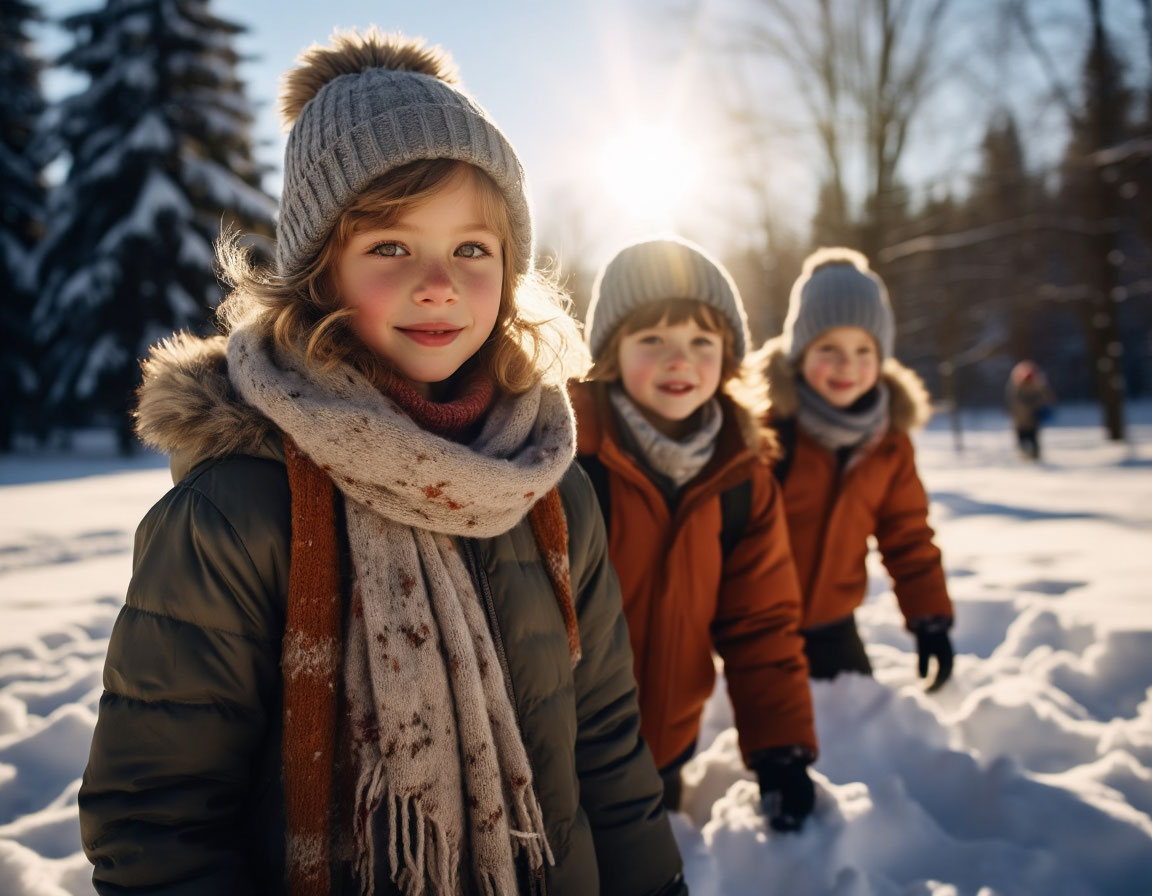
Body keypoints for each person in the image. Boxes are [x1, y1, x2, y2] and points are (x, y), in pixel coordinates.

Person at [78, 28, 687, 896]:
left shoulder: (551, 489)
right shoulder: (239, 512)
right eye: (390, 247)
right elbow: (157, 822)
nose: (437, 283)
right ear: (318, 275)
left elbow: (605, 744)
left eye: (472, 249)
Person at [570, 237, 818, 833]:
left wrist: (779, 748)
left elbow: (760, 620)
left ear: (729, 357)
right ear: (611, 352)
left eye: (701, 342)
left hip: (668, 745)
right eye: (652, 339)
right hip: (565, 751)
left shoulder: (741, 473)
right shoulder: (571, 457)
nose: (678, 360)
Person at [761, 247, 955, 688]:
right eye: (828, 347)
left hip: (832, 618)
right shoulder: (769, 427)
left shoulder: (888, 440)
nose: (847, 364)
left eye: (863, 349)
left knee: (859, 724)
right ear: (799, 354)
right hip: (757, 619)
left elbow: (906, 532)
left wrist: (930, 617)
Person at [1006, 360, 1055, 460]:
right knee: (1022, 439)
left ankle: (1034, 456)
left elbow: (1049, 398)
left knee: (1033, 439)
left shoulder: (1038, 386)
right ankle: (1025, 456)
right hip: (1020, 419)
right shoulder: (1017, 388)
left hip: (1032, 419)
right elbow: (1012, 402)